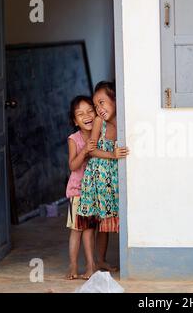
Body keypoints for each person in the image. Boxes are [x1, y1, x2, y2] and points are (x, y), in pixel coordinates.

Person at [76, 81, 129, 274]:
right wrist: (112, 155)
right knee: (92, 221)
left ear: (115, 100)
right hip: (96, 178)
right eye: (96, 105)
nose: (98, 109)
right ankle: (91, 265)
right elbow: (92, 150)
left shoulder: (123, 122)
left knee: (106, 223)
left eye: (102, 103)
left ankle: (101, 261)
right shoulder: (100, 122)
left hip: (112, 180)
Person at [65, 95, 97, 280]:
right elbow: (72, 166)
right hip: (77, 191)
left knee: (89, 230)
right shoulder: (74, 139)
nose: (87, 116)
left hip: (92, 191)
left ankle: (91, 265)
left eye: (90, 111)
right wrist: (85, 150)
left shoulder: (99, 134)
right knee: (76, 230)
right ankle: (73, 265)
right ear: (75, 121)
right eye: (80, 114)